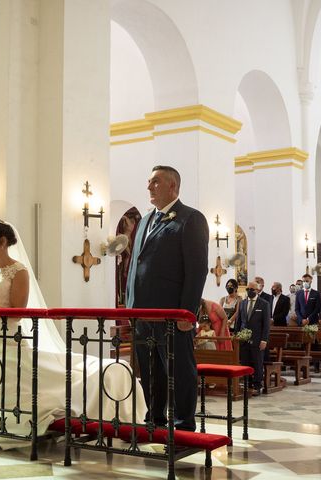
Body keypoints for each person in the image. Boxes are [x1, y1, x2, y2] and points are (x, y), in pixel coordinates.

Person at [0, 220, 146, 448]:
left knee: (37, 382)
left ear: (3, 241)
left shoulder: (18, 271)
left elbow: (17, 313)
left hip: (9, 340)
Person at [126, 165, 209, 432]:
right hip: (142, 314)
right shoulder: (145, 221)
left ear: (173, 186)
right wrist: (130, 306)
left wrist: (188, 312)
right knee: (150, 372)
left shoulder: (190, 219)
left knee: (178, 370)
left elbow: (197, 269)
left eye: (156, 182)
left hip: (172, 314)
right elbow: (135, 265)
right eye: (149, 182)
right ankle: (155, 419)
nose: (149, 187)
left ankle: (183, 423)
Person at [234, 281, 270, 396]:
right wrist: (236, 335)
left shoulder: (264, 304)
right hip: (244, 339)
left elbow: (266, 324)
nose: (249, 291)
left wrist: (264, 340)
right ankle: (247, 384)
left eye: (252, 289)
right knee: (245, 362)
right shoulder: (243, 303)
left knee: (257, 362)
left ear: (257, 290)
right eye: (248, 289)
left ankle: (257, 385)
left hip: (257, 339)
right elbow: (239, 321)